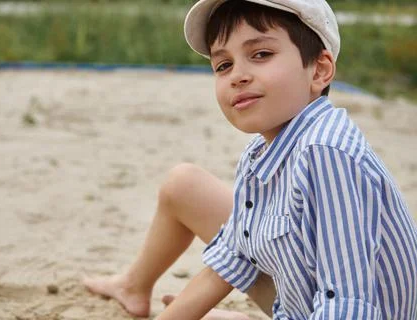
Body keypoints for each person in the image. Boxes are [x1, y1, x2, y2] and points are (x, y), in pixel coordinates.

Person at [84, 0, 417, 319]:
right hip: (306, 304)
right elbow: (231, 259)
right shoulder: (260, 154)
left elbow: (346, 302)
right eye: (223, 65)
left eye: (261, 54)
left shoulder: (325, 152)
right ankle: (133, 286)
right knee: (183, 184)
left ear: (319, 70)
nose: (237, 76)